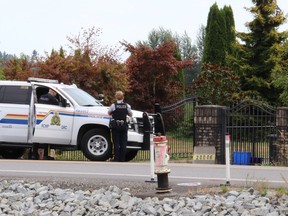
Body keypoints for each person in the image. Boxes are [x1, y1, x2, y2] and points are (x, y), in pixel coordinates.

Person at [108, 91, 133, 162]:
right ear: (123, 97)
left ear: (116, 97)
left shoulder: (113, 105)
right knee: (123, 142)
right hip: (124, 125)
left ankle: (116, 158)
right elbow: (130, 114)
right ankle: (122, 159)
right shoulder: (127, 105)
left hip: (116, 125)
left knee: (116, 142)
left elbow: (109, 113)